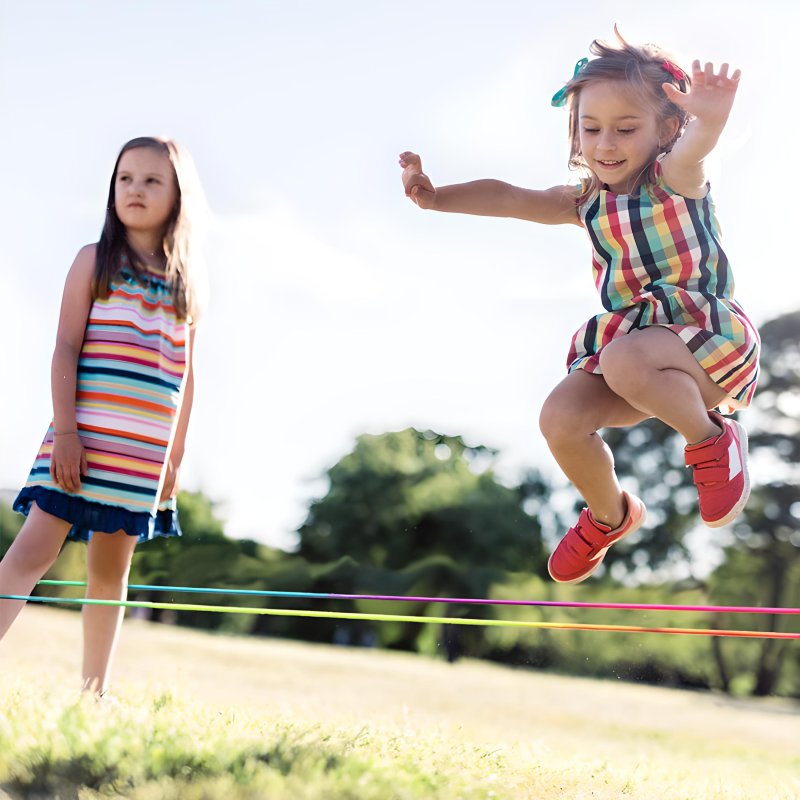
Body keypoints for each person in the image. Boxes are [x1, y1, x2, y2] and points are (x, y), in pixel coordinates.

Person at [399, 30, 759, 585]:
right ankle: (611, 514)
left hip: (705, 347)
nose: (605, 144)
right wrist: (437, 196)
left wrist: (709, 120)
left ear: (666, 130)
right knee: (560, 418)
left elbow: (697, 147)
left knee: (621, 359)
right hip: (638, 354)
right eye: (591, 129)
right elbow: (509, 197)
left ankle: (714, 440)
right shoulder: (586, 202)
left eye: (626, 128)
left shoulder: (675, 179)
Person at [0, 136, 205, 693]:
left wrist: (174, 461)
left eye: (151, 180)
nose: (135, 190)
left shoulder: (187, 283)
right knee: (31, 555)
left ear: (177, 195)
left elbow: (185, 379)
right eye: (125, 178)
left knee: (111, 575)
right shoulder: (94, 261)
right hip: (81, 442)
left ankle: (95, 694)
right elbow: (65, 348)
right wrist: (65, 431)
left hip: (140, 458)